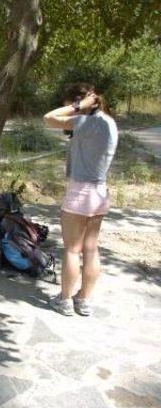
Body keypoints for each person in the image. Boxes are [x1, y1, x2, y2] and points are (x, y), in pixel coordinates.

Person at [43, 83, 118, 317]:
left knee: (72, 250)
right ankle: (83, 300)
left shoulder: (84, 122)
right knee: (91, 249)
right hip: (100, 191)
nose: (70, 109)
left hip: (80, 192)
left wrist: (78, 107)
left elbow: (49, 117)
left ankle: (64, 300)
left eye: (71, 104)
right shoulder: (109, 122)